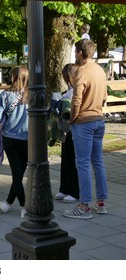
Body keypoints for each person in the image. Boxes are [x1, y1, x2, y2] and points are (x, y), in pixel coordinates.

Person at [63, 39, 108, 220]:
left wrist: (73, 120)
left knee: (82, 164)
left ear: (80, 52)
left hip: (84, 122)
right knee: (98, 163)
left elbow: (76, 101)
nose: (75, 55)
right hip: (99, 120)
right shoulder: (99, 70)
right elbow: (104, 96)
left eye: (76, 52)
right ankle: (101, 202)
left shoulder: (82, 72)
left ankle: (84, 206)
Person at [0, 66, 29, 218]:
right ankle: (7, 203)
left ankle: (24, 206)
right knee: (19, 175)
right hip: (27, 138)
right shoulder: (32, 96)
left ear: (13, 77)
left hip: (10, 138)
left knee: (17, 175)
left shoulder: (5, 95)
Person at [54, 63, 80, 204]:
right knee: (65, 159)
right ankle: (64, 188)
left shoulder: (76, 89)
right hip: (67, 128)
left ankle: (74, 191)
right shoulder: (69, 90)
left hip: (74, 127)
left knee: (72, 160)